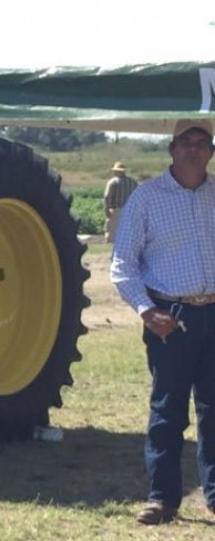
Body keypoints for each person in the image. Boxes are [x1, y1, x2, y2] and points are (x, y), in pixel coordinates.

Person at [110, 118, 215, 525]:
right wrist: (145, 310)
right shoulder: (147, 198)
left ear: (210, 151)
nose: (193, 150)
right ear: (171, 149)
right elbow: (122, 264)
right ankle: (163, 499)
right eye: (185, 143)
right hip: (171, 316)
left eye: (201, 142)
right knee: (168, 409)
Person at [104, 161, 138, 243]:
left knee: (112, 233)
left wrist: (107, 209)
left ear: (116, 171)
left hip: (117, 210)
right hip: (130, 210)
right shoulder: (133, 182)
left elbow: (107, 197)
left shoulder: (113, 182)